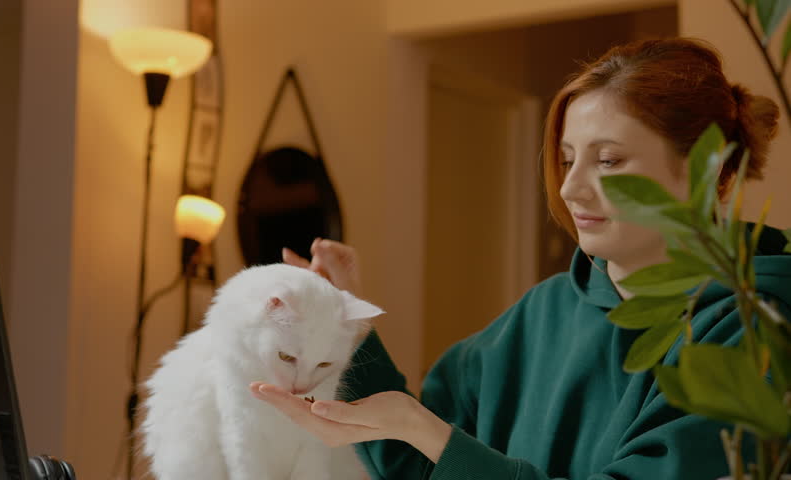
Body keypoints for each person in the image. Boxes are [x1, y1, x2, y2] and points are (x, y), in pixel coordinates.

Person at [249, 37, 791, 479]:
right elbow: (419, 463)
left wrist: (425, 431)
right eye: (567, 159)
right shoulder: (542, 313)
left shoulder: (753, 325)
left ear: (708, 171)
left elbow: (432, 440)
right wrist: (344, 327)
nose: (573, 188)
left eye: (608, 160)